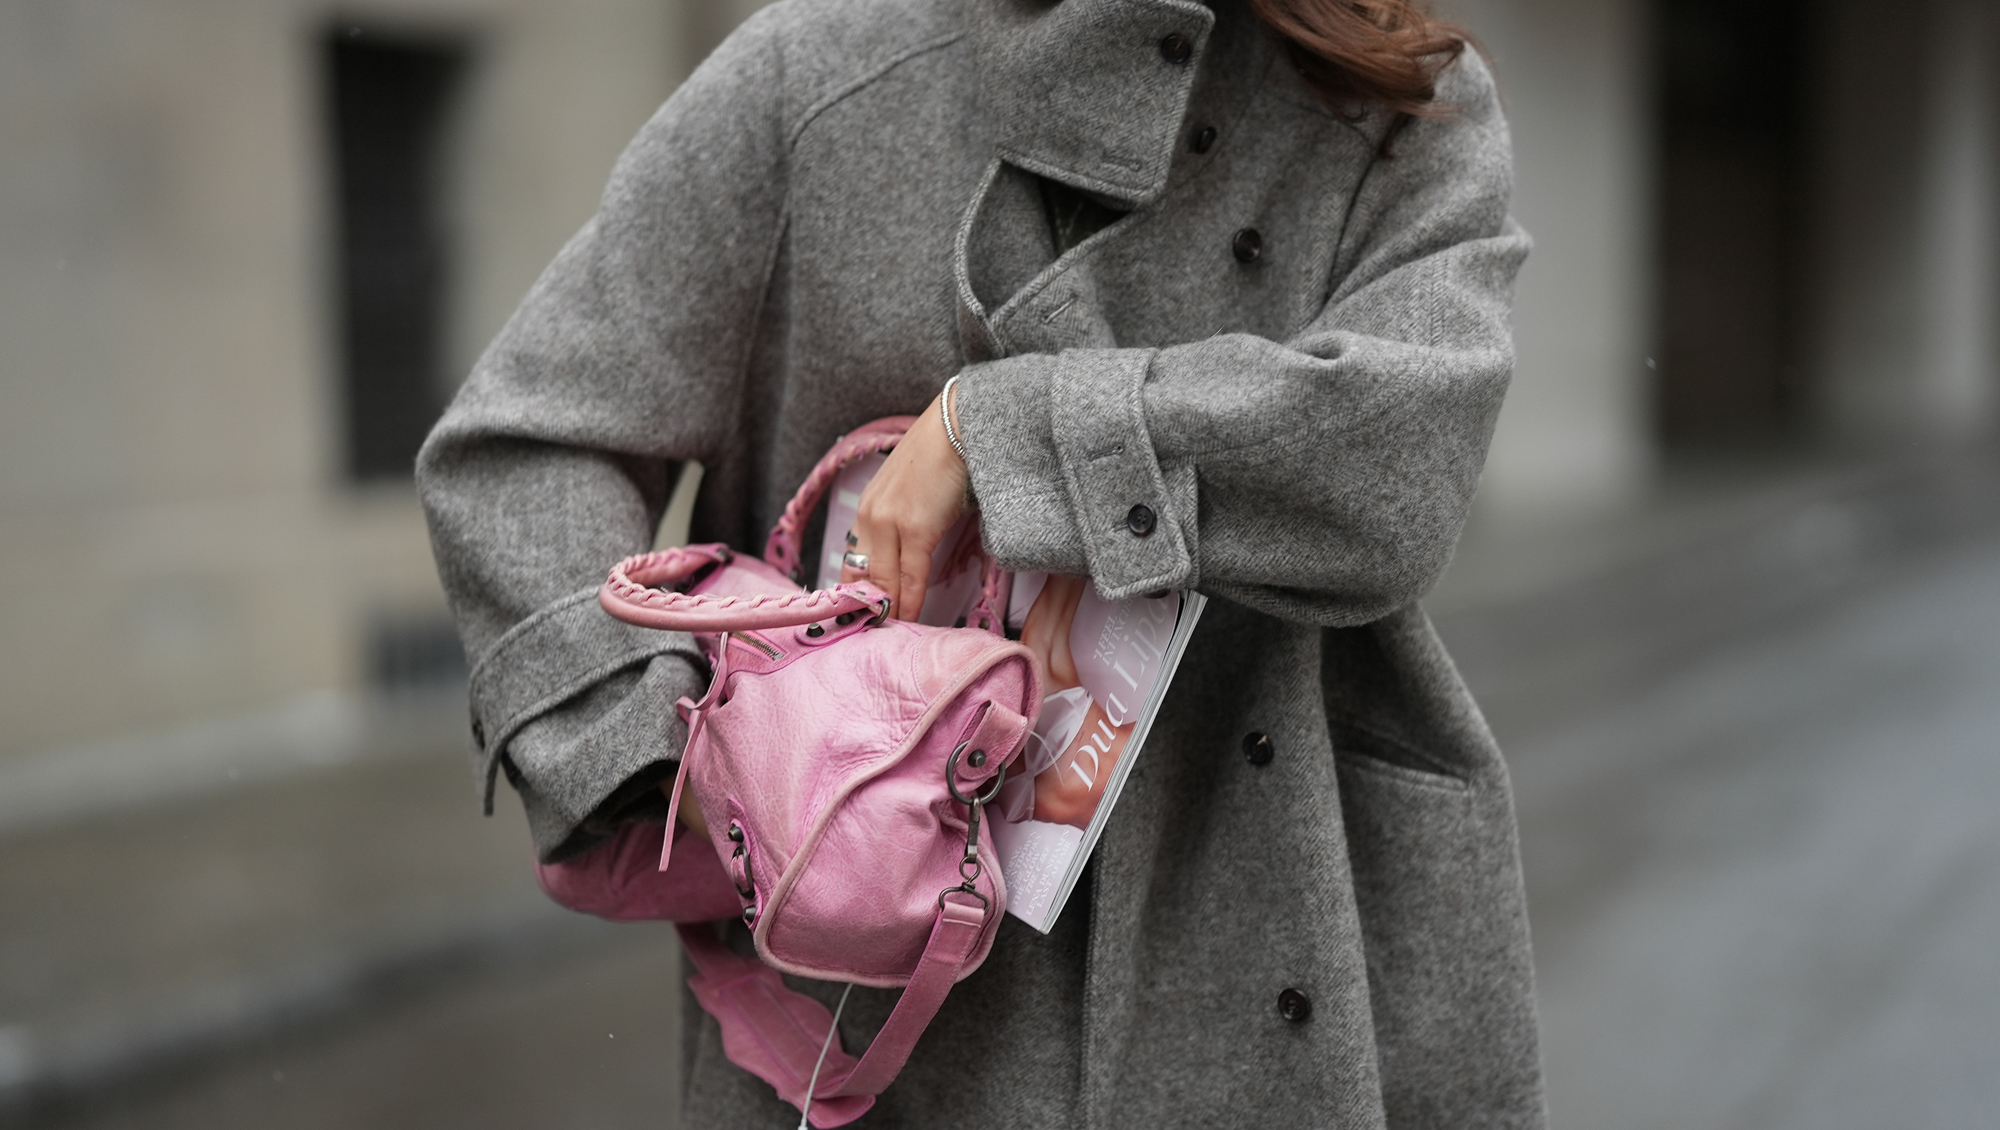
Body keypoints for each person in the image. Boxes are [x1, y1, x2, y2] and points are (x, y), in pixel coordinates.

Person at [416, 0, 1543, 1124]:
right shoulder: (815, 76)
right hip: (880, 995)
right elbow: (519, 446)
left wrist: (999, 435)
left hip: (1280, 896)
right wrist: (712, 767)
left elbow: (1395, 461)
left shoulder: (1394, 95)